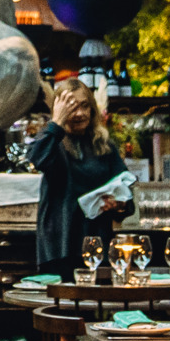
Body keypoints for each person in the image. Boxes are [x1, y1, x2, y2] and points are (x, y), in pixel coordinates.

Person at [27, 77, 129, 272]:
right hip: (59, 248)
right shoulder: (52, 141)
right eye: (72, 108)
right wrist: (57, 122)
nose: (80, 113)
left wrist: (119, 204)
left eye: (84, 106)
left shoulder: (104, 145)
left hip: (98, 245)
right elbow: (37, 158)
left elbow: (125, 188)